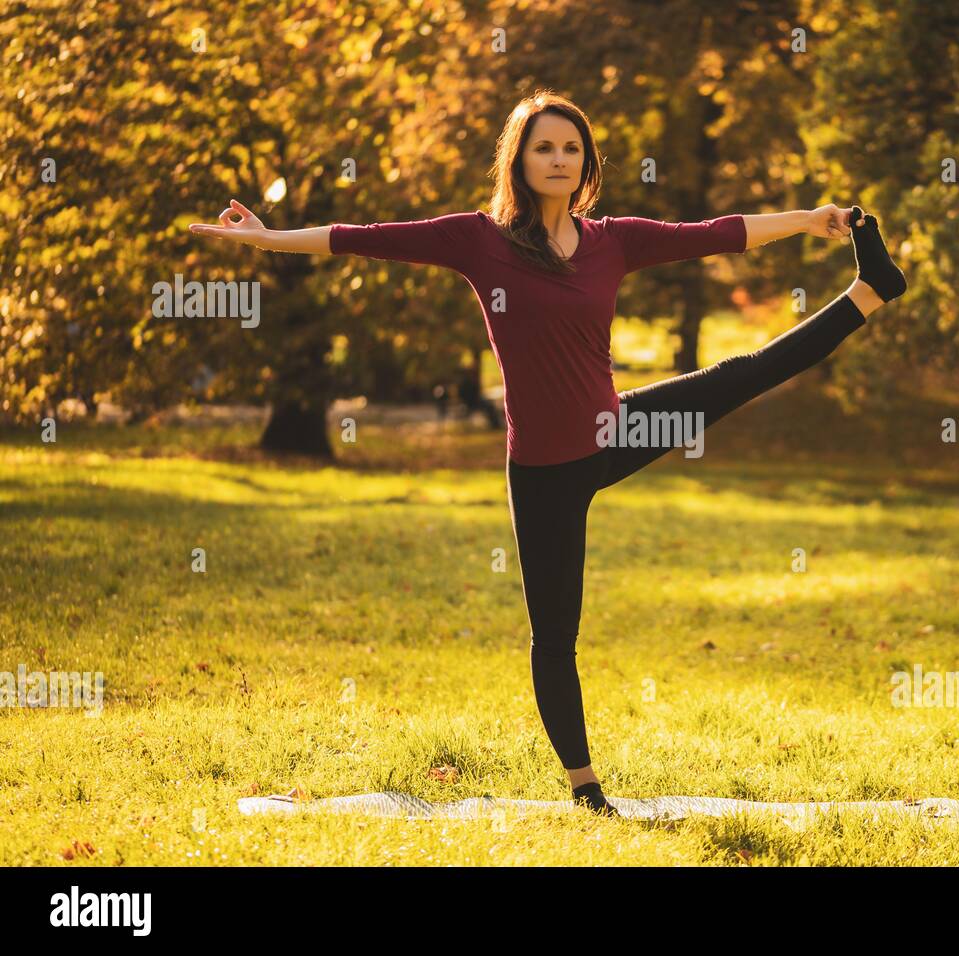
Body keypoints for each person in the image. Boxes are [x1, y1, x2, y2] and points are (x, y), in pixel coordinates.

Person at [189, 89, 906, 818]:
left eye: (570, 149)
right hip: (544, 472)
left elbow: (719, 233)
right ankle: (586, 788)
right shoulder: (477, 238)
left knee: (739, 375)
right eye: (544, 148)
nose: (558, 160)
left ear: (585, 163)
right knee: (555, 632)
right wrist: (271, 240)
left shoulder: (612, 240)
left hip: (614, 433)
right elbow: (364, 235)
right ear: (519, 160)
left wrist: (810, 220)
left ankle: (869, 291)